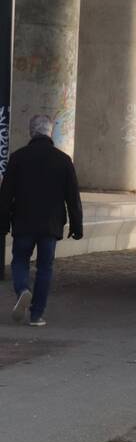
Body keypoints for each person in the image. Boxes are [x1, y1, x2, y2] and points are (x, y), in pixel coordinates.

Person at [0, 115, 84, 326]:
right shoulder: (63, 160)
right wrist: (76, 225)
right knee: (45, 268)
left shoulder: (18, 158)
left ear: (31, 132)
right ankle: (36, 315)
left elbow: (5, 194)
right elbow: (73, 197)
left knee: (19, 261)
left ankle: (23, 289)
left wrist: (2, 223)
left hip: (23, 222)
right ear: (50, 133)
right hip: (51, 224)